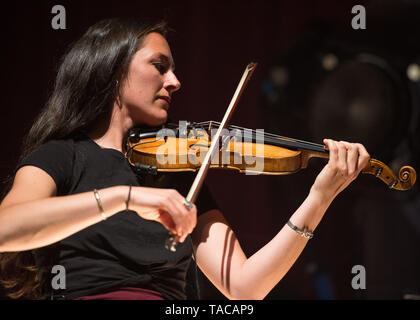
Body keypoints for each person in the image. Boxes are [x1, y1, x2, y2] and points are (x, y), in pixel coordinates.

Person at [0, 17, 370, 300]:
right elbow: (5, 230)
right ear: (111, 71)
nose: (174, 81)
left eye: (173, 69)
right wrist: (122, 198)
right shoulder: (62, 156)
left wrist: (319, 200)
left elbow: (243, 288)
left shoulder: (176, 176)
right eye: (159, 66)